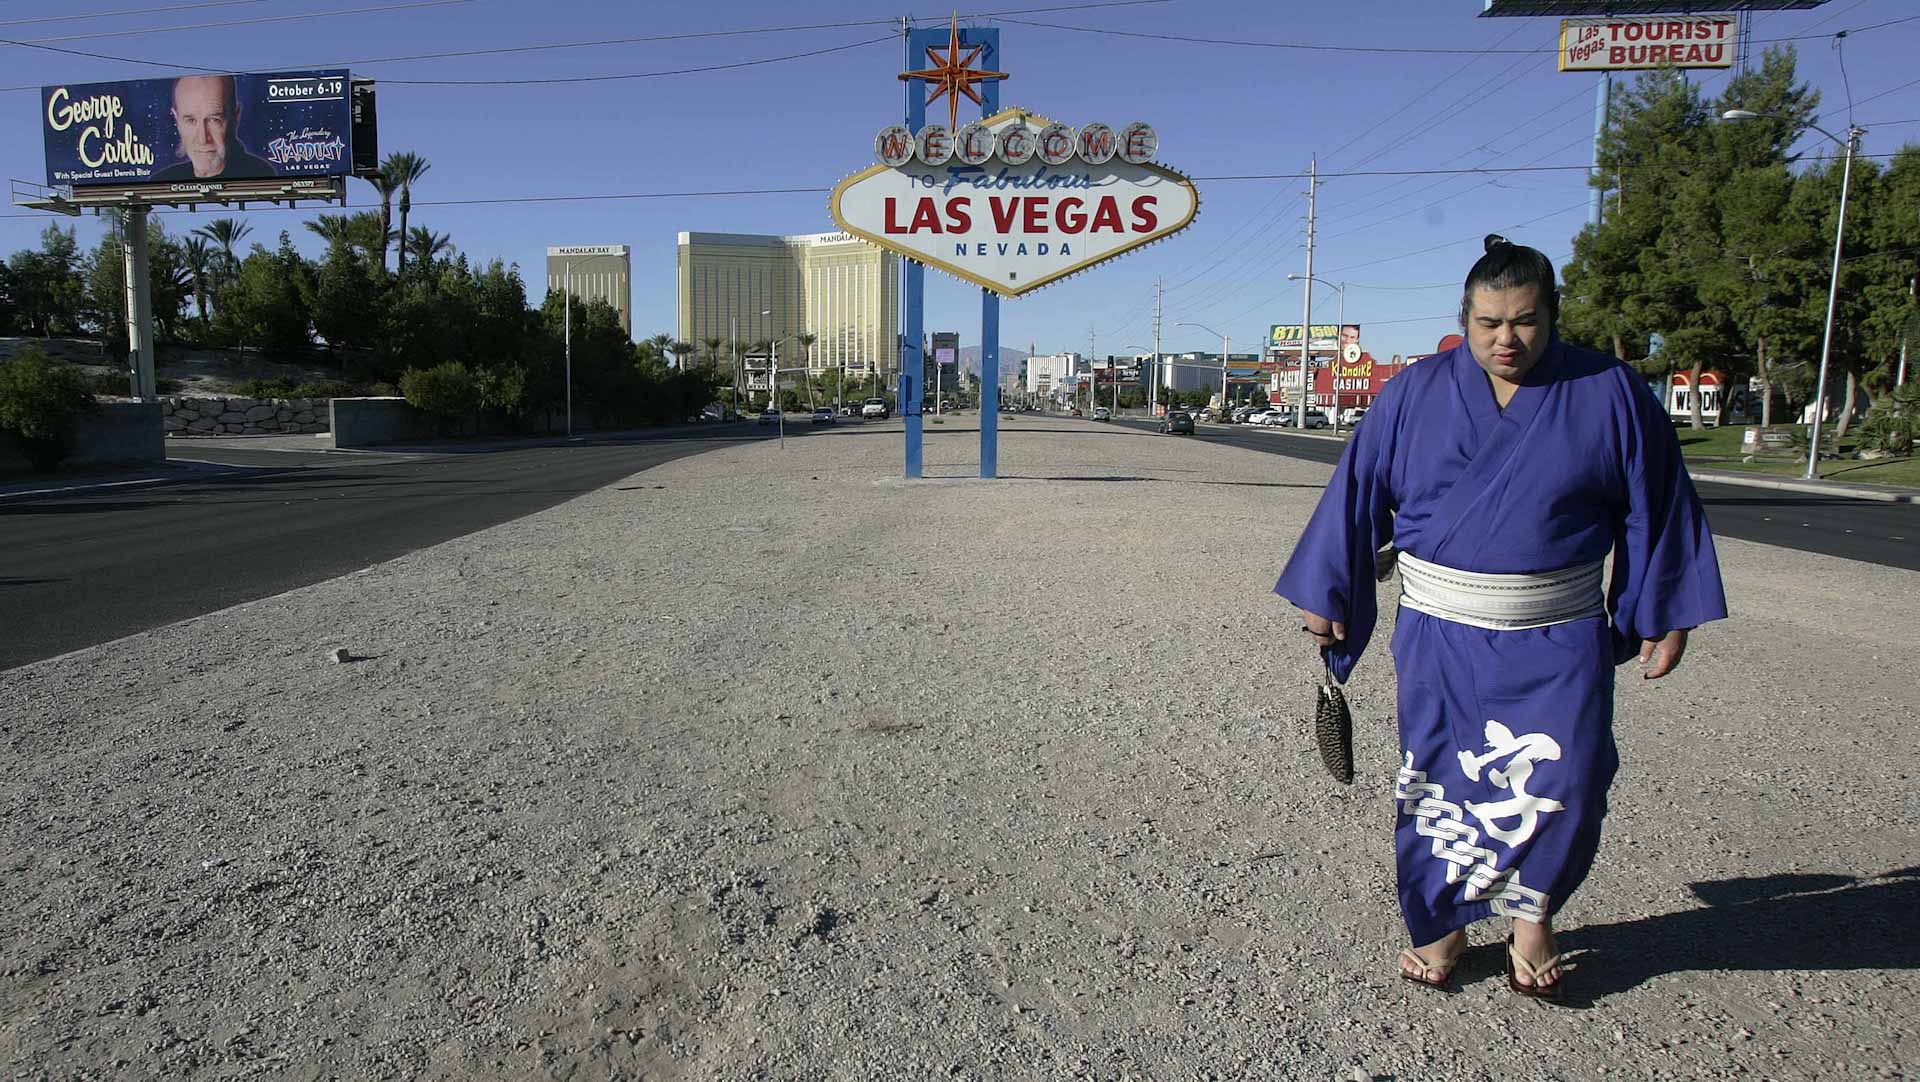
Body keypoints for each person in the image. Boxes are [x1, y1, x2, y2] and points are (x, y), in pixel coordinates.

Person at [1274, 235, 1726, 999]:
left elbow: (1658, 506)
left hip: (1560, 632)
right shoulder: (1413, 393)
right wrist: (1331, 593)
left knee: (1571, 780)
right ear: (1464, 316)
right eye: (1488, 323)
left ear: (1551, 316)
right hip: (1442, 633)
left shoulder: (1612, 390)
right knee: (1439, 781)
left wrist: (1663, 607)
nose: (1505, 339)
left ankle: (1532, 916)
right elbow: (1355, 497)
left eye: (1523, 322)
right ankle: (1441, 920)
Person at [152, 75, 274, 182]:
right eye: (191, 121)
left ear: (235, 117)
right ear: (176, 120)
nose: (203, 139)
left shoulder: (261, 175)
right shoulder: (160, 182)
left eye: (214, 120)